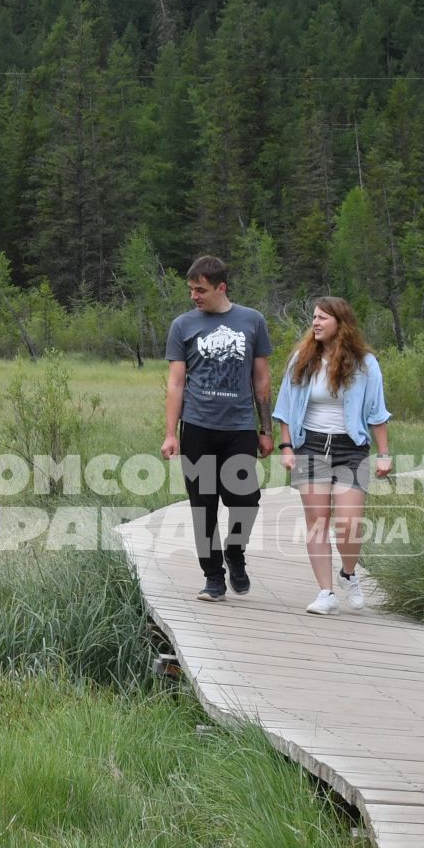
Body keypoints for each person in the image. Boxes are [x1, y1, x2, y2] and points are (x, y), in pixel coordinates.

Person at [160, 255, 273, 601]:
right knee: (203, 504)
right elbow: (176, 382)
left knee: (246, 501)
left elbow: (262, 378)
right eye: (191, 289)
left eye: (200, 290)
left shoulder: (252, 321)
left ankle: (235, 552)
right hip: (197, 427)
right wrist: (169, 433)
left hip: (239, 427)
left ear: (221, 288)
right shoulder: (183, 325)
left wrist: (266, 429)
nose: (194, 295)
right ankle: (213, 576)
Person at [271, 296, 392, 615]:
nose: (315, 322)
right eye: (314, 317)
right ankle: (325, 592)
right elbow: (284, 408)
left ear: (341, 322)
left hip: (350, 449)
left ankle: (348, 574)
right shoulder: (301, 358)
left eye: (323, 317)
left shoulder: (365, 364)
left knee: (350, 524)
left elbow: (378, 413)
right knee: (317, 521)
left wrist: (384, 453)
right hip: (309, 446)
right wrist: (286, 447)